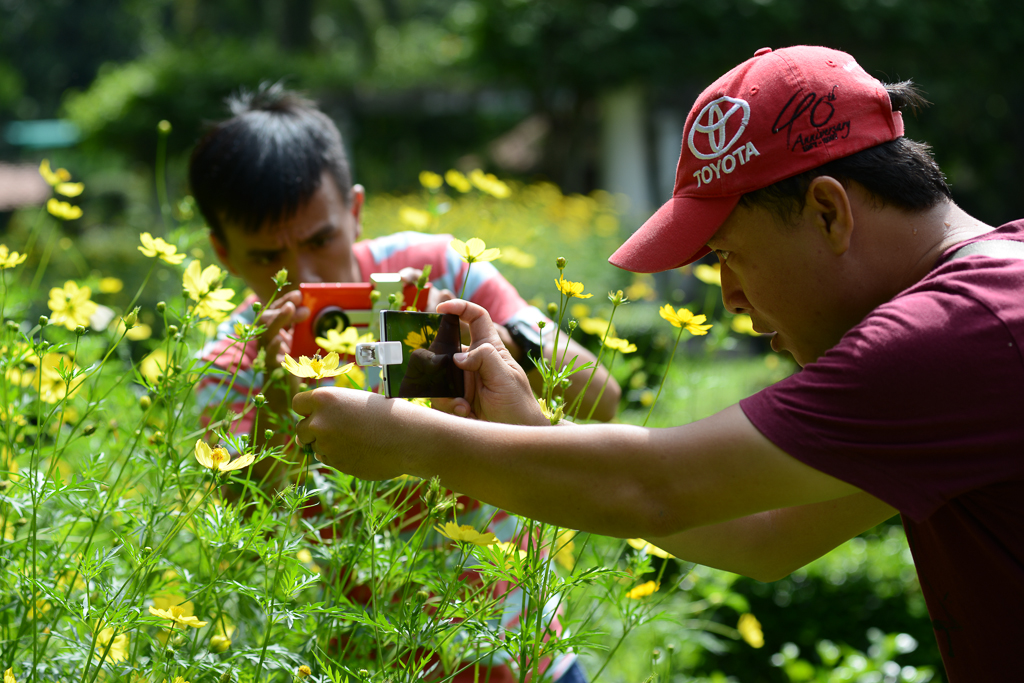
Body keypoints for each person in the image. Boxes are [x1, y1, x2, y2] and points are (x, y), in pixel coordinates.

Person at [293, 46, 1024, 682]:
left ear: (830, 211)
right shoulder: (983, 305)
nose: (729, 294)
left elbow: (656, 487)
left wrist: (413, 443)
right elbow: (766, 532)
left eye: (730, 255)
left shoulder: (950, 333)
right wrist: (534, 427)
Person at [188, 84, 608, 681]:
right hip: (373, 663)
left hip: (523, 651)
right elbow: (241, 526)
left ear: (355, 211)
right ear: (222, 253)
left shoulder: (439, 268)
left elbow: (603, 395)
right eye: (266, 257)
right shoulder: (229, 362)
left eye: (320, 240)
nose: (304, 277)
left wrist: (496, 345)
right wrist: (280, 399)